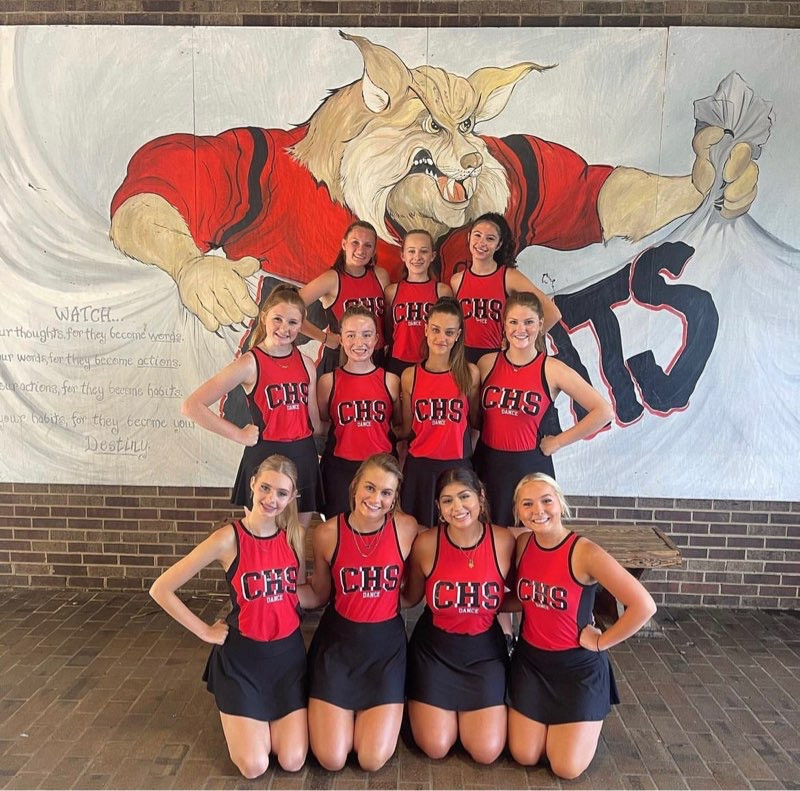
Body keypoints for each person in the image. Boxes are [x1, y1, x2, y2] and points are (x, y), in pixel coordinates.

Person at [149, 456, 314, 778]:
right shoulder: (228, 538)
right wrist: (204, 631)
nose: (271, 498)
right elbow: (161, 588)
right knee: (254, 766)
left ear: (292, 497)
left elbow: (296, 594)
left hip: (287, 660)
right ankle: (241, 709)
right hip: (243, 662)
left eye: (282, 493)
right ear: (252, 484)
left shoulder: (293, 535)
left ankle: (261, 719)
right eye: (265, 488)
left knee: (293, 760)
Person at [506, 473, 657, 779]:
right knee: (524, 755)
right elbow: (523, 599)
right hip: (531, 665)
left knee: (566, 768)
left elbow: (644, 605)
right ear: (518, 511)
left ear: (560, 503)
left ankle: (579, 721)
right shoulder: (522, 544)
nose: (538, 510)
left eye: (546, 501)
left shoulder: (584, 551)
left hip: (577, 669)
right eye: (527, 504)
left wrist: (602, 641)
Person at [301, 454, 420, 771]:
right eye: (370, 487)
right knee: (331, 758)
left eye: (386, 492)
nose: (376, 498)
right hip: (338, 647)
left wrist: (386, 602)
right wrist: (277, 592)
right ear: (355, 486)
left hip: (385, 650)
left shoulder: (406, 528)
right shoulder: (327, 533)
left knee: (371, 759)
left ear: (394, 498)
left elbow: (414, 591)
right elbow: (320, 594)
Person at [182, 283, 322, 531]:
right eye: (277, 319)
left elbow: (315, 423)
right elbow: (192, 405)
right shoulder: (250, 363)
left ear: (301, 325)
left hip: (303, 455)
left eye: (292, 322)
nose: (284, 328)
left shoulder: (307, 364)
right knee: (261, 535)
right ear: (264, 317)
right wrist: (238, 434)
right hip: (265, 456)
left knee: (296, 540)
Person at [402, 467, 515, 764]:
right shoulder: (426, 543)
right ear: (438, 507)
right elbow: (410, 597)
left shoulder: (504, 541)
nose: (457, 507)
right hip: (435, 652)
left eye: (464, 497)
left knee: (486, 751)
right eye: (447, 500)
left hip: (484, 652)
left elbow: (525, 591)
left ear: (481, 498)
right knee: (435, 746)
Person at [475, 290, 614, 526]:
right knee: (489, 537)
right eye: (514, 322)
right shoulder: (486, 363)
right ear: (504, 325)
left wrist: (558, 442)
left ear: (540, 325)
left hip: (529, 467)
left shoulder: (552, 369)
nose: (521, 329)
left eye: (529, 322)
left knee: (528, 537)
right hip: (487, 463)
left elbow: (603, 411)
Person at [399, 297, 479, 528]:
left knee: (457, 530)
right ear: (425, 330)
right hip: (420, 467)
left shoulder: (470, 374)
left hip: (457, 466)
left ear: (458, 335)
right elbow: (407, 428)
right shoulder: (410, 376)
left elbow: (475, 423)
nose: (441, 338)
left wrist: (466, 454)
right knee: (420, 532)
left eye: (449, 332)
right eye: (435, 330)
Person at [317, 305, 401, 516]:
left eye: (366, 334)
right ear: (341, 339)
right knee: (339, 528)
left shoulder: (390, 381)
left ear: (376, 339)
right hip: (340, 470)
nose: (359, 342)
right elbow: (324, 424)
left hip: (382, 469)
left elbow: (398, 425)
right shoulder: (328, 382)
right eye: (351, 335)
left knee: (380, 529)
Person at [450, 212, 561, 364]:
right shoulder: (457, 281)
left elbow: (552, 313)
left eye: (490, 238)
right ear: (469, 237)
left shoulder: (508, 277)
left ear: (499, 244)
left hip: (499, 359)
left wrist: (522, 341)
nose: (481, 243)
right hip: (465, 360)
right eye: (477, 235)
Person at [298, 220, 390, 375]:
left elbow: (388, 318)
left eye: (368, 245)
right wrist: (325, 338)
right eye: (355, 242)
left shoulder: (380, 276)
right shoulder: (331, 279)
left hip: (376, 359)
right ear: (344, 244)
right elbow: (286, 309)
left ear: (374, 251)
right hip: (341, 359)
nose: (361, 250)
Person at [383, 229, 453, 376]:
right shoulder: (391, 291)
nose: (417, 257)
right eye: (411, 251)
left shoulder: (442, 291)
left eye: (424, 251)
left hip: (430, 361)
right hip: (397, 361)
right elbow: (388, 328)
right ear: (403, 256)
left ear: (432, 256)